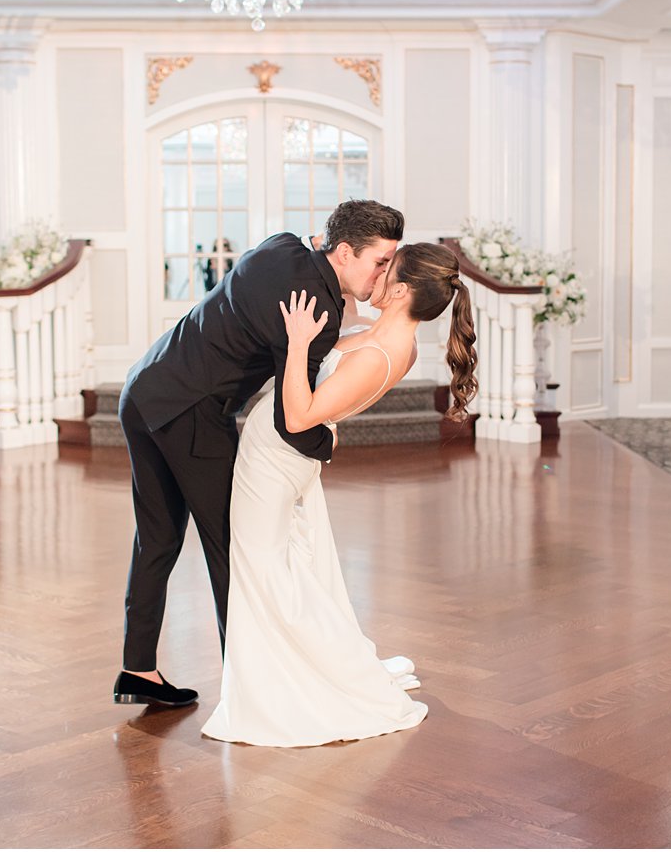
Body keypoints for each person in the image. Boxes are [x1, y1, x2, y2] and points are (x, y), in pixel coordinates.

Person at [114, 200, 404, 707]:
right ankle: (252, 688)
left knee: (157, 539)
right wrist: (327, 444)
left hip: (144, 387)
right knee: (233, 545)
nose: (386, 272)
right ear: (342, 251)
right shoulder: (314, 308)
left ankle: (137, 669)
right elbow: (293, 418)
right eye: (379, 261)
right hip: (192, 411)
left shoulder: (284, 244)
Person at [201, 242, 478, 747]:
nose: (373, 278)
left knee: (263, 569)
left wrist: (298, 345)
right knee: (279, 567)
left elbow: (301, 416)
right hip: (279, 457)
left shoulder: (380, 354)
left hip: (274, 460)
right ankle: (285, 669)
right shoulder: (391, 339)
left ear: (400, 290)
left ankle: (296, 683)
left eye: (383, 270)